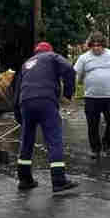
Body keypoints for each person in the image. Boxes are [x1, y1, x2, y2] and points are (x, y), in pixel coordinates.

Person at [13, 41, 78, 193]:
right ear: (49, 50)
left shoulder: (26, 64)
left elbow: (16, 92)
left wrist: (19, 116)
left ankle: (24, 179)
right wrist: (68, 93)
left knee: (27, 140)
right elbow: (69, 69)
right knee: (54, 139)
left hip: (25, 102)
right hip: (45, 100)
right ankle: (59, 181)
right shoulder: (52, 56)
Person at [73, 32, 110, 159]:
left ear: (104, 45)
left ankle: (107, 146)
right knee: (93, 124)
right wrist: (76, 90)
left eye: (99, 45)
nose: (96, 48)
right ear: (90, 45)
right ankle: (95, 149)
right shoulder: (84, 58)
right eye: (93, 45)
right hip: (91, 97)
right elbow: (77, 75)